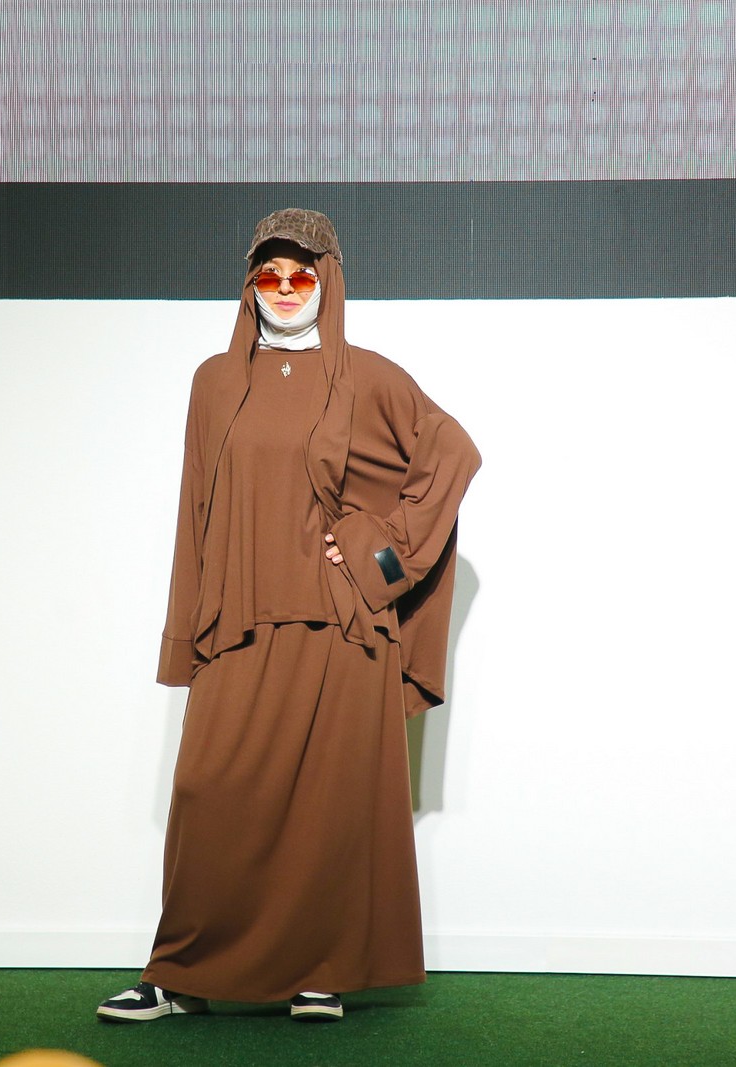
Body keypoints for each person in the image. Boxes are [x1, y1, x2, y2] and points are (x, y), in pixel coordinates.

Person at [96, 209, 480, 1024]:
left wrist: (379, 555)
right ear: (249, 285)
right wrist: (186, 635)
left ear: (328, 280)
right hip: (239, 618)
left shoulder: (369, 378)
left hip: (341, 629)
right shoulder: (214, 381)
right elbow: (195, 511)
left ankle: (321, 971)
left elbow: (454, 453)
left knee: (329, 808)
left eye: (300, 273)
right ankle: (180, 973)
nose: (282, 288)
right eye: (266, 275)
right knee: (207, 789)